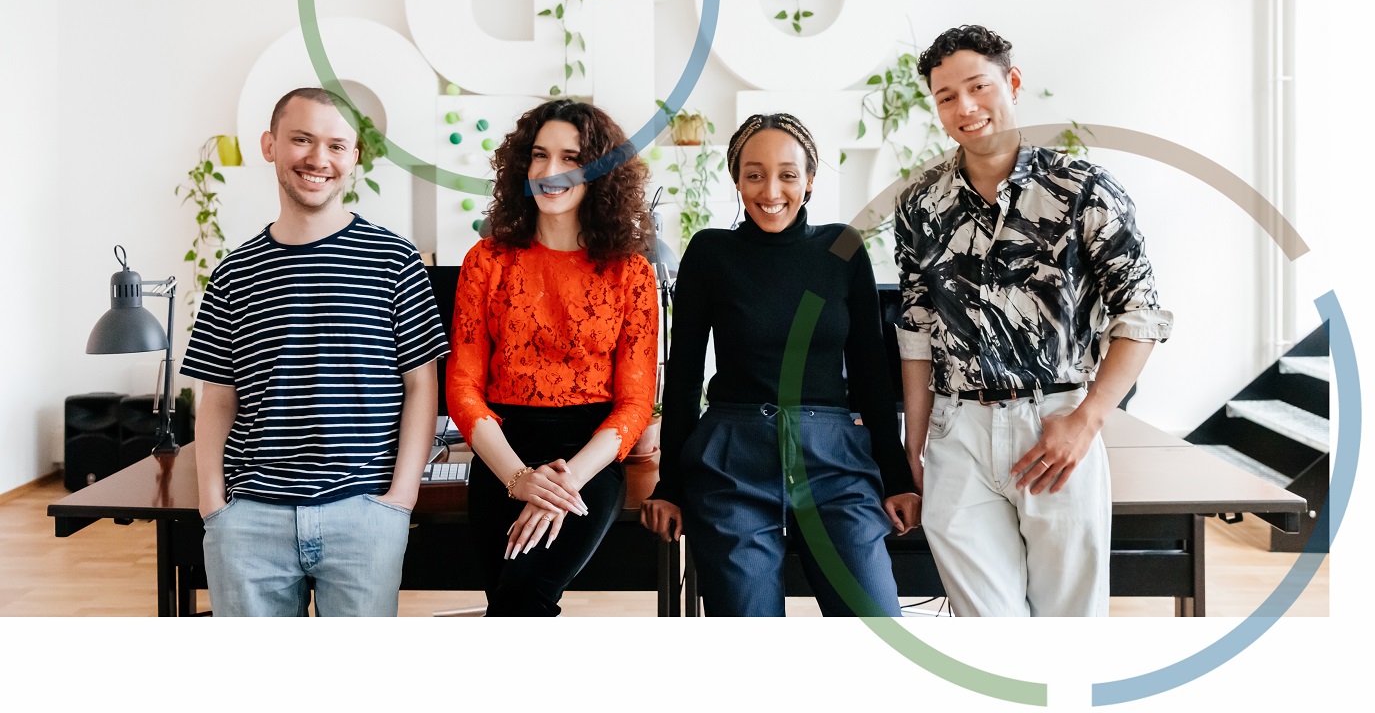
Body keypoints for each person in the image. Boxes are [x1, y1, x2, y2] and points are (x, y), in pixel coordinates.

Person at [894, 25, 1174, 617]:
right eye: (947, 96)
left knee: (1068, 628)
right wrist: (914, 443)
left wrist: (1086, 420)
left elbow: (1140, 315)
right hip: (957, 433)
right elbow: (915, 326)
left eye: (978, 86)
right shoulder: (919, 204)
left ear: (1012, 83)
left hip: (1057, 424)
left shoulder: (1083, 190)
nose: (965, 107)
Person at [181, 87, 448, 616]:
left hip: (365, 514)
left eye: (336, 145)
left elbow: (422, 386)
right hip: (250, 519)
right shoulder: (234, 272)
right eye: (301, 139)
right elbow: (217, 397)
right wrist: (214, 507)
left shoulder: (395, 261)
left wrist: (401, 500)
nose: (318, 159)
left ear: (355, 157)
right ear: (269, 145)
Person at [641, 112, 919, 617]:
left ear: (809, 180)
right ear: (737, 180)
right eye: (755, 174)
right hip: (734, 463)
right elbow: (682, 376)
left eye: (788, 174)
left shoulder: (843, 248)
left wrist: (897, 478)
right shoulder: (710, 251)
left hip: (834, 463)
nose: (772, 189)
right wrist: (670, 486)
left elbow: (870, 374)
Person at [444, 98, 660, 616]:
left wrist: (562, 484)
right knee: (508, 600)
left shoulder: (631, 272)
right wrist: (519, 477)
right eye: (539, 156)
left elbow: (635, 403)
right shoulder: (486, 260)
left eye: (570, 158)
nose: (549, 172)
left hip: (586, 461)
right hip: (502, 456)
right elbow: (463, 385)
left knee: (524, 595)